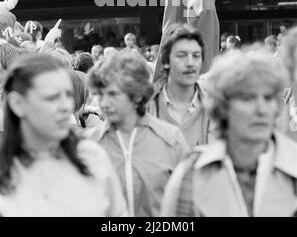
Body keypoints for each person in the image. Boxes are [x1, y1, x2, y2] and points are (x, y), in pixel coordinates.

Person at [161, 48, 297, 217]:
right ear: (223, 106)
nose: (262, 109)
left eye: (268, 98)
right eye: (248, 98)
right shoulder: (191, 174)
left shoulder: (293, 167)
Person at [0, 53, 127, 216]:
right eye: (52, 97)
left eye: (68, 95)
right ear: (18, 104)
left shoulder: (91, 157)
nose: (66, 106)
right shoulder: (6, 166)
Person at [87, 51, 189, 217]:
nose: (104, 103)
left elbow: (188, 206)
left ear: (136, 95)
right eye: (100, 94)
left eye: (112, 94)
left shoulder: (171, 139)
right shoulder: (89, 144)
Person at [147, 23, 211, 148]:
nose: (190, 63)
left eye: (196, 56)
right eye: (181, 56)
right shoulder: (145, 106)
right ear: (166, 62)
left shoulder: (216, 107)